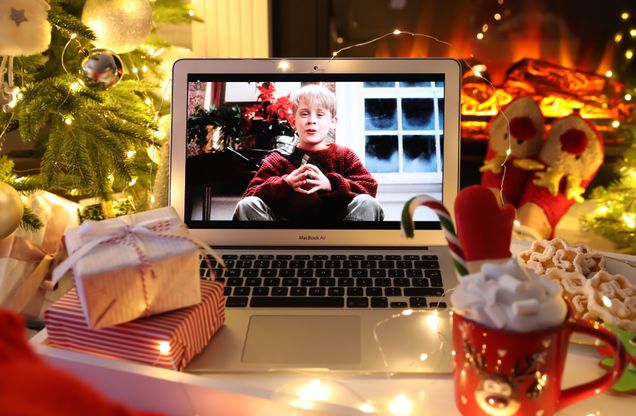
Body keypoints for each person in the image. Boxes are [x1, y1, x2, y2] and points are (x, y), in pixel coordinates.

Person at [232, 84, 383, 224]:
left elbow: (369, 187)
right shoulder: (277, 159)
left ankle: (347, 252)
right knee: (248, 205)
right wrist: (285, 183)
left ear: (333, 122)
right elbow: (250, 195)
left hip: (337, 233)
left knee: (368, 203)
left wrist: (332, 184)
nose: (312, 120)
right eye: (304, 114)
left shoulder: (344, 155)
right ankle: (274, 251)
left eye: (320, 114)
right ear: (293, 122)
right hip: (284, 235)